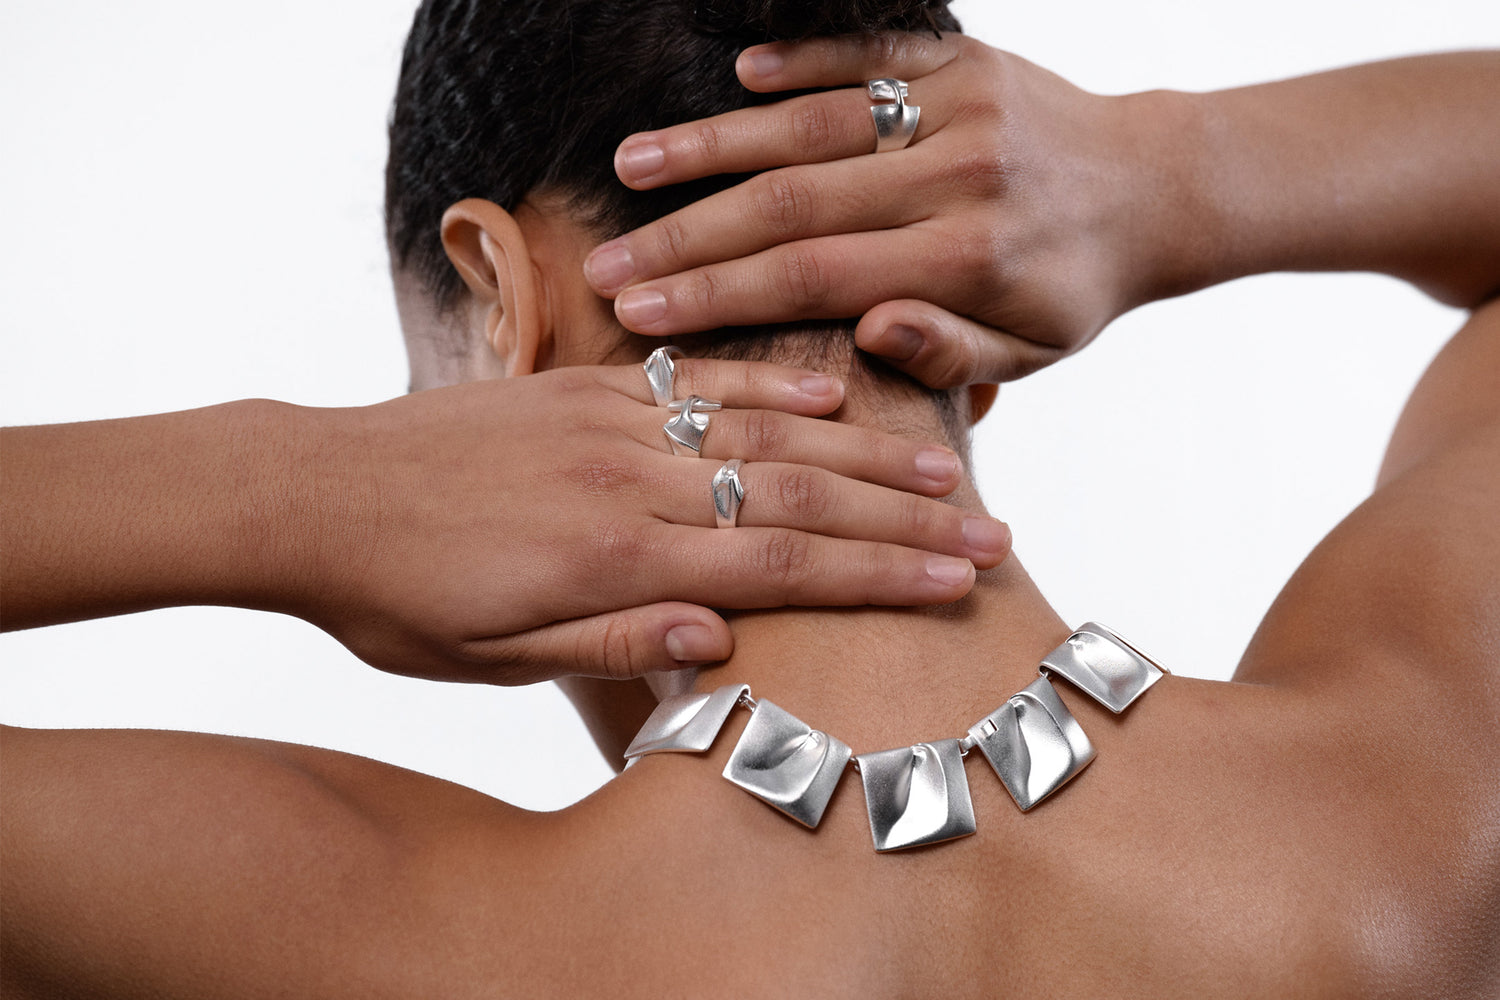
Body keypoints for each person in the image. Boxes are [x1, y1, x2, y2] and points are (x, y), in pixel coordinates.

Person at [3, 2, 1497, 998]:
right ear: (972, 351)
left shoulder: (376, 935)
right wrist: (1177, 168)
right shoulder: (1422, 800)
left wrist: (291, 489)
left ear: (500, 298)